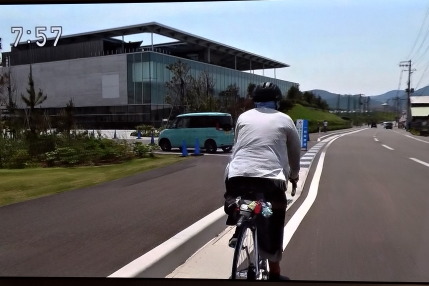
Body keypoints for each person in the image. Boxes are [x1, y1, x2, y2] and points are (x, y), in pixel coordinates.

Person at [223, 82, 301, 280]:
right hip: (271, 179)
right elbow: (294, 152)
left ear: (255, 101)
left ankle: (239, 217)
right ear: (277, 101)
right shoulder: (285, 119)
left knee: (239, 199)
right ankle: (274, 272)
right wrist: (294, 175)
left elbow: (238, 145)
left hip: (237, 175)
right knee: (274, 216)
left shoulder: (243, 117)